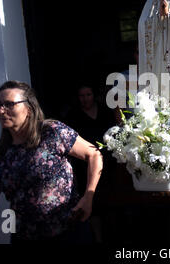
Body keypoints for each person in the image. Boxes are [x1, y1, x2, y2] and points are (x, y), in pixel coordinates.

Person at [0, 81, 103, 244]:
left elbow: (94, 154)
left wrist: (89, 196)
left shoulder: (52, 132)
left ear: (29, 109)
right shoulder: (0, 151)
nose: (1, 111)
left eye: (9, 104)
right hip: (25, 236)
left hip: (68, 232)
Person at [64, 84, 116, 242]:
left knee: (111, 201)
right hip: (84, 165)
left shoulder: (105, 112)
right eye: (82, 95)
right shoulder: (73, 116)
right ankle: (97, 239)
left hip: (108, 162)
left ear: (94, 95)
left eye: (88, 94)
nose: (85, 99)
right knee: (94, 203)